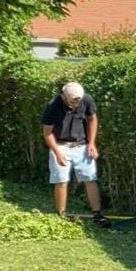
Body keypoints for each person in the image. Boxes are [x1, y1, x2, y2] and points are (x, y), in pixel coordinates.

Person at [41, 81, 106, 226]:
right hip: (60, 146)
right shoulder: (52, 106)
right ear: (63, 96)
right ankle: (61, 216)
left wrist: (91, 143)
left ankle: (97, 214)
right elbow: (47, 133)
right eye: (72, 102)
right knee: (61, 180)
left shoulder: (86, 99)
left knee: (90, 178)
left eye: (78, 101)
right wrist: (57, 153)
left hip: (82, 145)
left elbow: (92, 119)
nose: (76, 104)